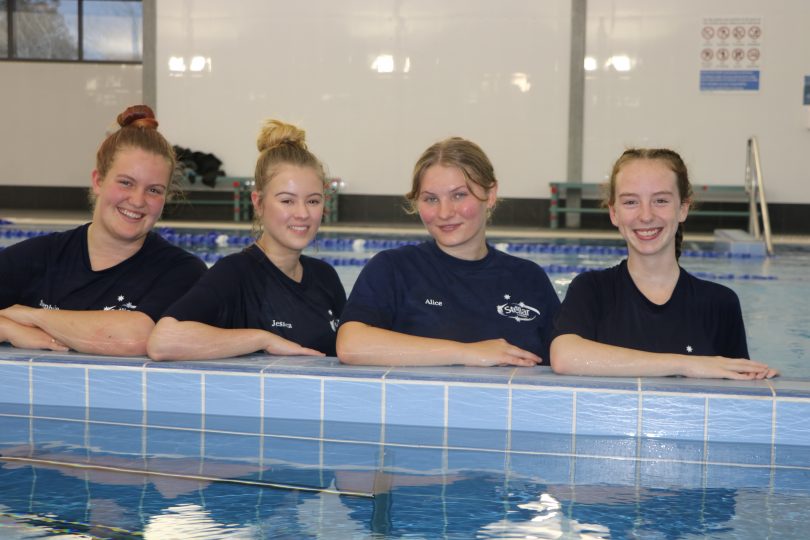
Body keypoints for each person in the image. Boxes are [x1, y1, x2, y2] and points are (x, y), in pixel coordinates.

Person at [550, 148, 777, 379]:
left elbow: (742, 393)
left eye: (660, 200)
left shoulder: (719, 304)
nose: (646, 215)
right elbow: (564, 356)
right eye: (630, 202)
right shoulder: (592, 290)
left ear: (683, 208)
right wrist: (685, 365)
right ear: (614, 213)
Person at [0, 105, 207, 356]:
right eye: (126, 183)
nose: (138, 200)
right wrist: (10, 330)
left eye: (154, 190)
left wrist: (32, 316)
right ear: (98, 181)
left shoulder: (180, 271)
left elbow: (136, 338)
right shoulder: (40, 257)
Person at [336, 137, 560, 367]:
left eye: (459, 195)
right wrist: (465, 353)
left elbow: (564, 357)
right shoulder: (394, 269)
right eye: (431, 199)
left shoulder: (528, 278)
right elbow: (350, 345)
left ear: (490, 194)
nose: (444, 212)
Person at [147, 120, 345, 360]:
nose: (303, 213)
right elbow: (163, 341)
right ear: (258, 203)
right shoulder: (236, 274)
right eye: (287, 200)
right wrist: (262, 339)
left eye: (313, 201)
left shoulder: (326, 277)